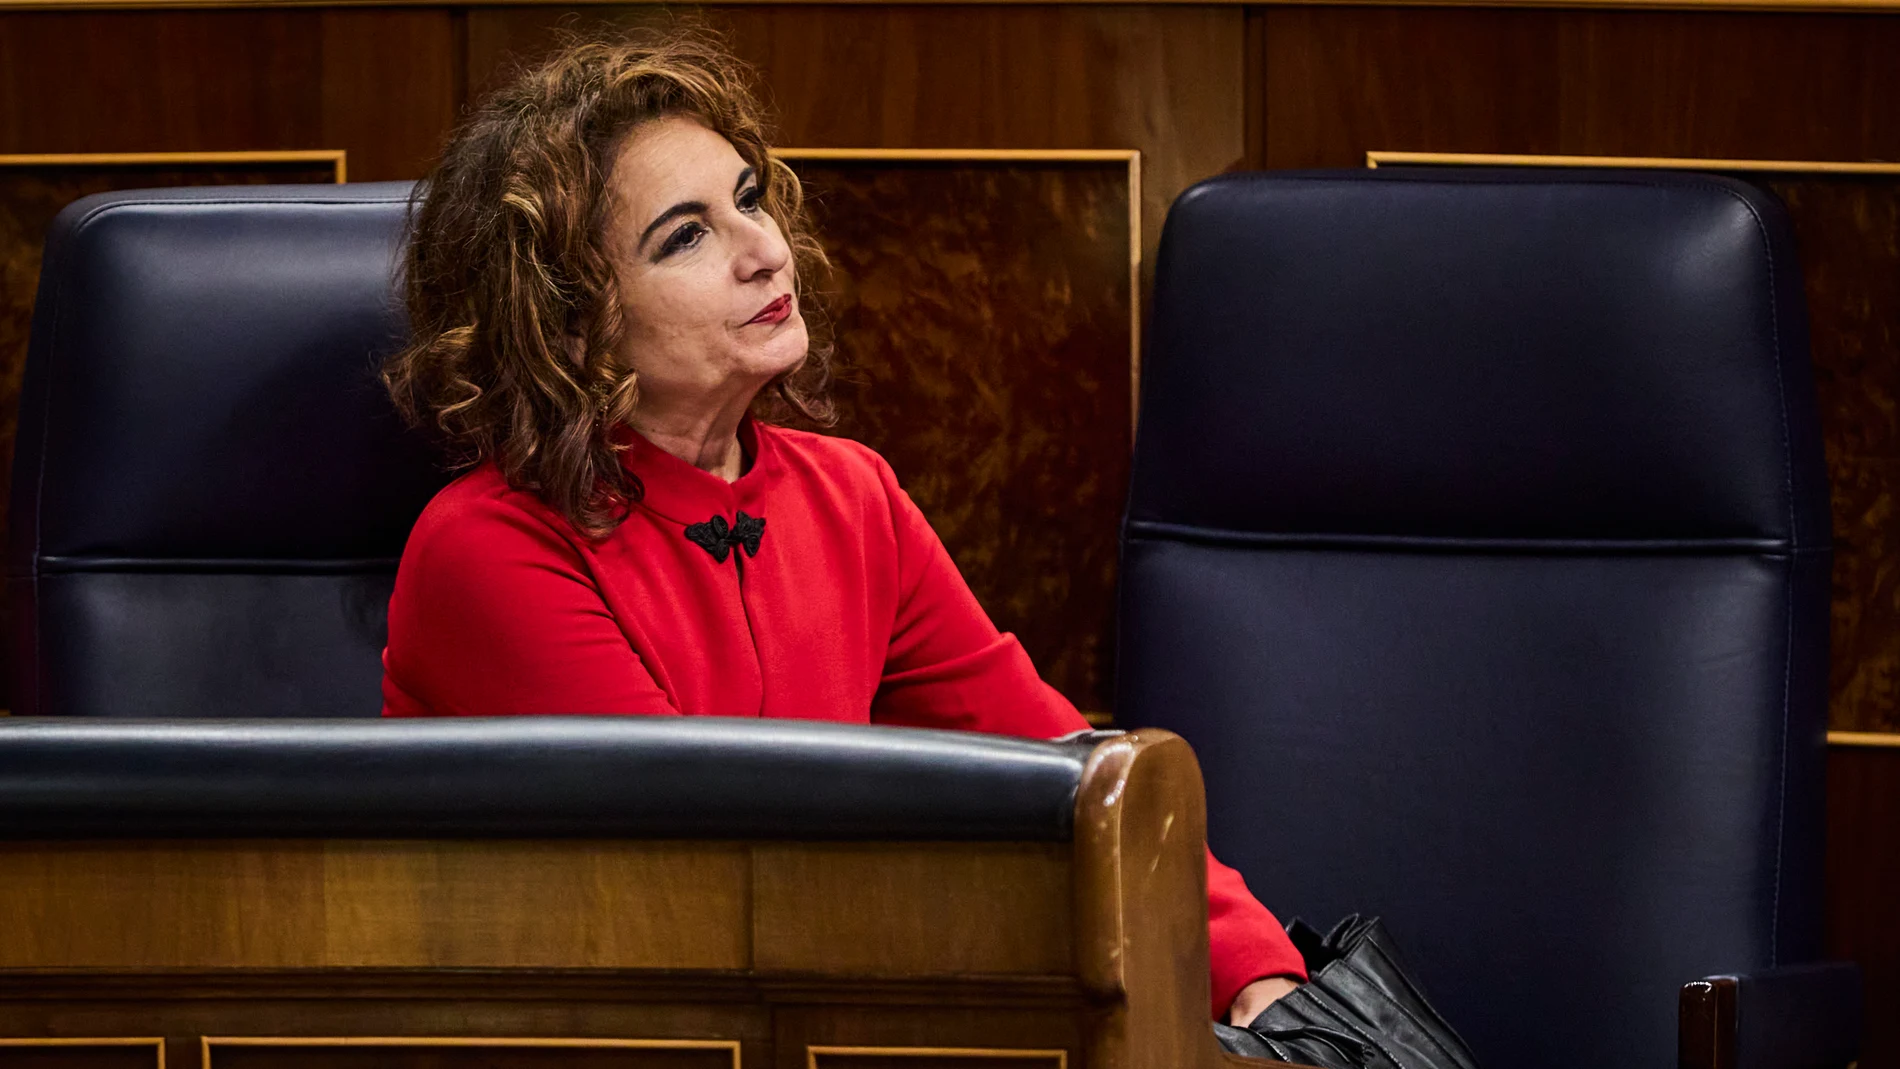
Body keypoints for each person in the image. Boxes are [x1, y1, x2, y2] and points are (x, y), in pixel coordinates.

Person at [378, 27, 1306, 1026]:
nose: (764, 249)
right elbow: (694, 876)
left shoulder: (849, 494)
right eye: (684, 235)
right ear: (569, 323)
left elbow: (1060, 771)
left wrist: (1256, 975)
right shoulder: (488, 546)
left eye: (747, 198)